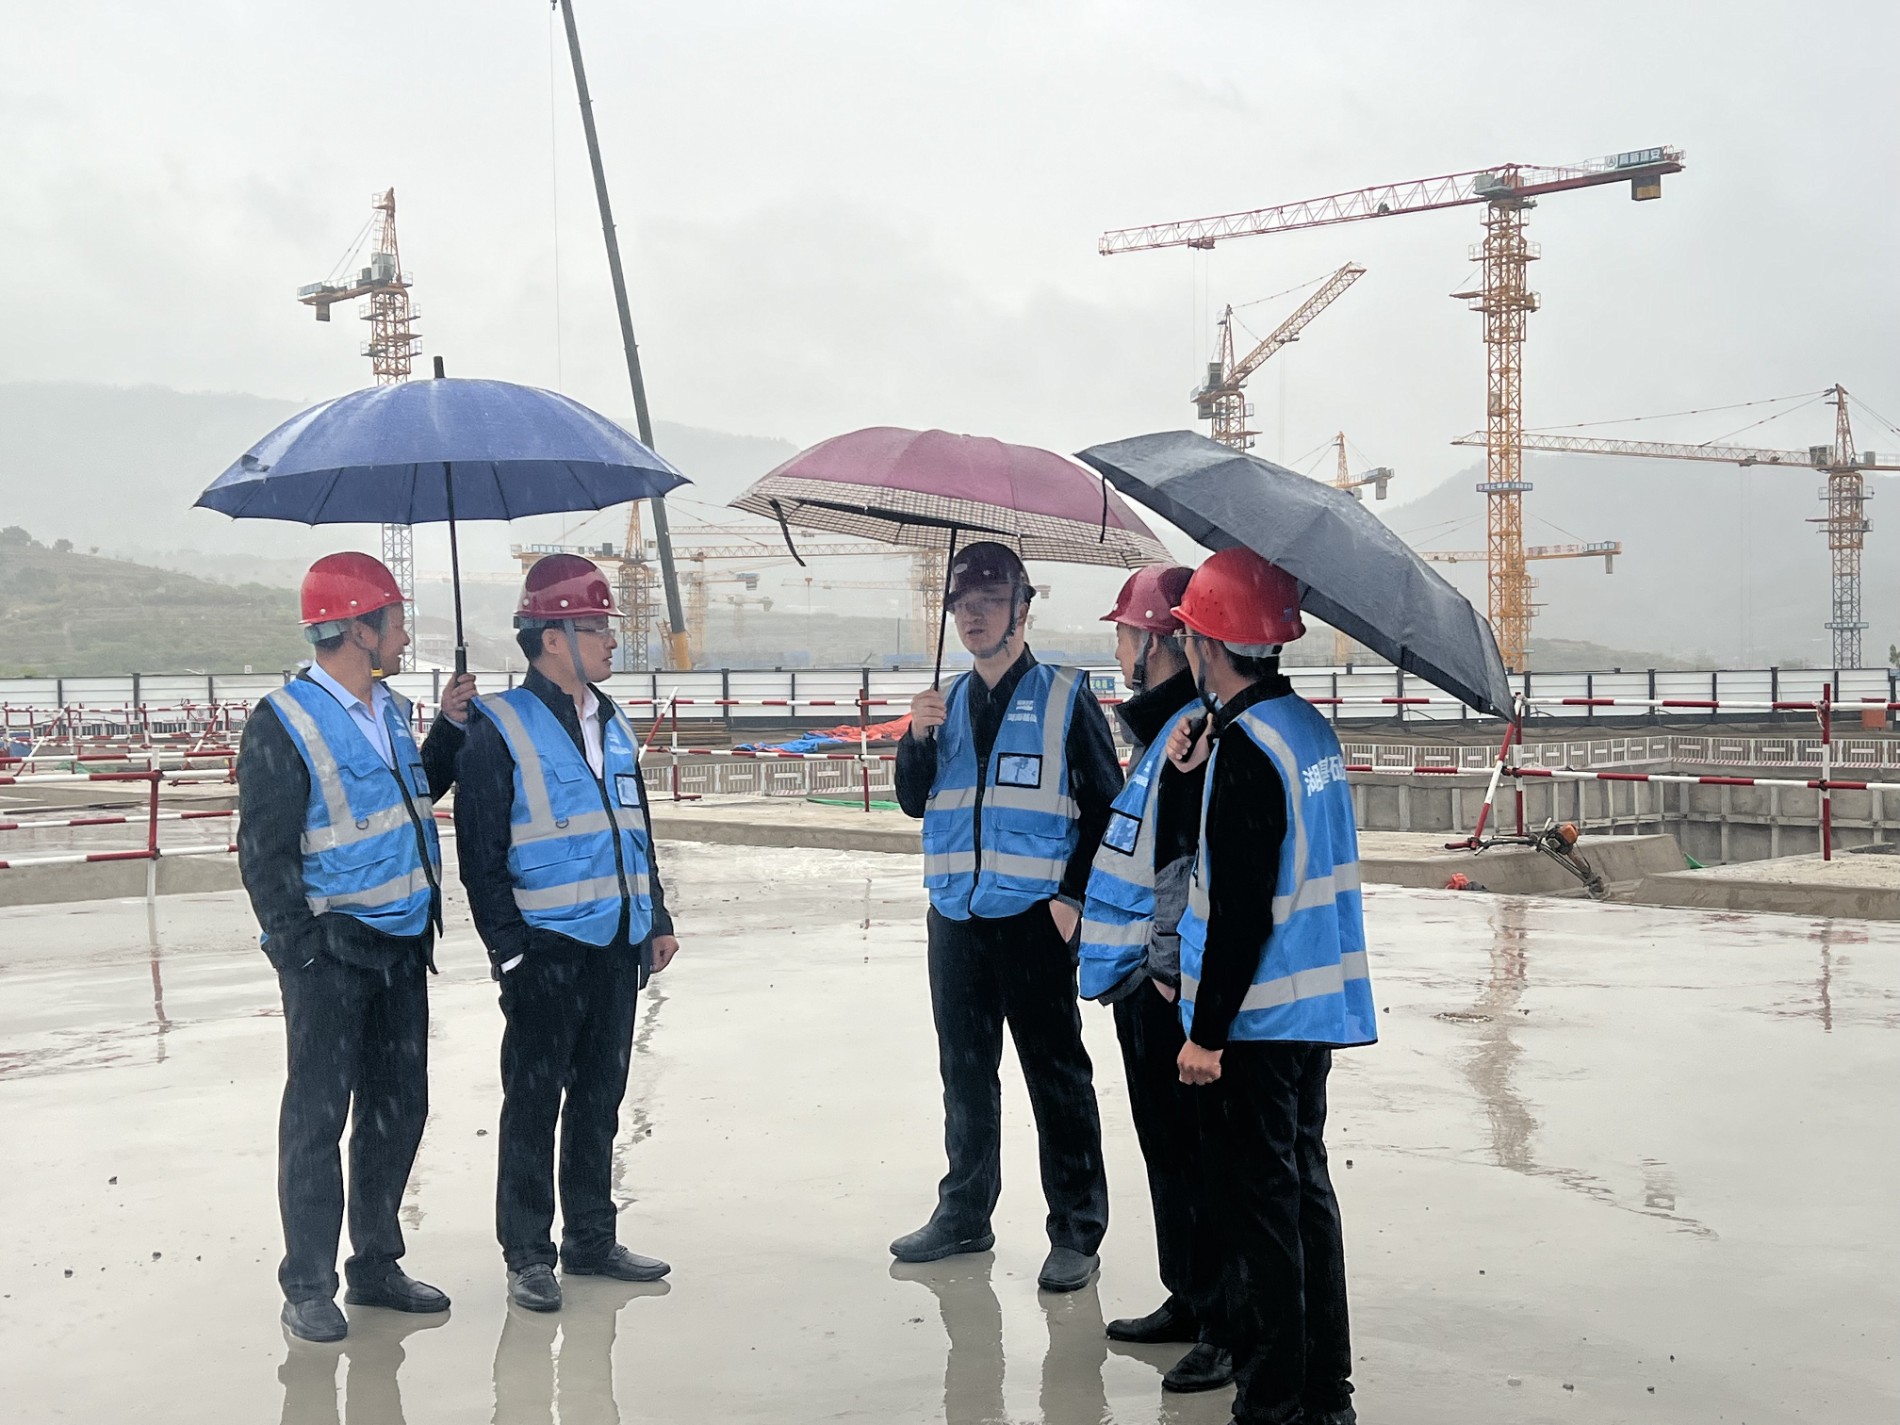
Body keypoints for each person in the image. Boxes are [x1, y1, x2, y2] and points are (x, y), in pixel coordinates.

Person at [237, 551, 476, 1343]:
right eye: (396, 621)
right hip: (331, 954)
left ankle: (376, 1264)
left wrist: (448, 730)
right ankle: (308, 1284)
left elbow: (410, 798)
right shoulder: (284, 721)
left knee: (396, 1109)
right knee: (318, 1116)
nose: (405, 635)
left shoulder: (392, 711)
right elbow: (263, 853)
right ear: (358, 629)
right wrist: (299, 950)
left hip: (402, 945)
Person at [1163, 547, 1375, 1425]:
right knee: (1306, 1198)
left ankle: (1274, 1400)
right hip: (1311, 1010)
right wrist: (1191, 770)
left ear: (1210, 645)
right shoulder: (1304, 729)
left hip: (1254, 1021)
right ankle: (1326, 1391)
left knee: (1262, 1218)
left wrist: (1205, 1034)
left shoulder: (1248, 749)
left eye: (1189, 636)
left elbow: (1243, 908)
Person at [892, 540, 1122, 1293]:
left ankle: (1076, 1230)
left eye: (990, 602)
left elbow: (1107, 810)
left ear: (1023, 609)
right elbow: (913, 801)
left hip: (1034, 920)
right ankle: (964, 1211)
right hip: (956, 918)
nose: (975, 617)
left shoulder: (1064, 696)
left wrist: (1071, 900)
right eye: (963, 605)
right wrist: (916, 737)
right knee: (964, 1073)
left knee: (1056, 1076)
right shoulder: (944, 703)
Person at [454, 554, 680, 1314]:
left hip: (617, 943)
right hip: (545, 947)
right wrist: (510, 950)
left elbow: (634, 828)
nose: (613, 640)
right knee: (532, 1102)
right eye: (597, 627)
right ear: (552, 637)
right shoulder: (498, 727)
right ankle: (527, 1253)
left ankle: (590, 1236)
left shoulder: (612, 722)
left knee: (599, 1097)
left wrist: (656, 917)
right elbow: (480, 853)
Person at [1076, 564, 1232, 1395]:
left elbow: (1185, 860)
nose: (1117, 649)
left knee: (1199, 1155)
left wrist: (1167, 970)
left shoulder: (1191, 734)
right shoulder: (1159, 732)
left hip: (1167, 984)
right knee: (1166, 1151)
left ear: (1160, 640)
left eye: (1125, 634)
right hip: (1139, 980)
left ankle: (1225, 1322)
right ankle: (1191, 1295)